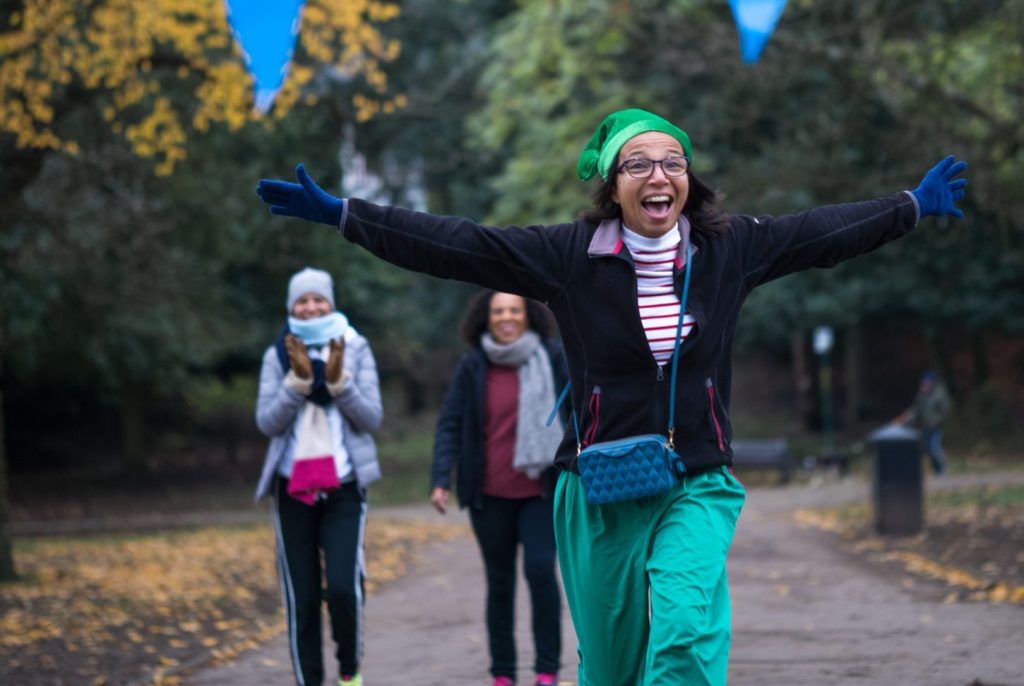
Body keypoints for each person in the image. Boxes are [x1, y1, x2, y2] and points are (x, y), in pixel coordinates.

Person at [257, 108, 968, 686]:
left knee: (685, 631)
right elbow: (457, 244)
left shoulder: (730, 249)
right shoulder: (569, 256)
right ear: (612, 182)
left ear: (688, 178)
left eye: (672, 163)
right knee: (612, 666)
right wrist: (348, 215)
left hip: (697, 478)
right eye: (639, 164)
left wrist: (910, 204)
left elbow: (824, 232)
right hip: (598, 491)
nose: (659, 176)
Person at [431, 290, 568, 686]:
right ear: (485, 318)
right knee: (499, 581)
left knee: (541, 571)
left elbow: (579, 413)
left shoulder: (555, 357)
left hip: (542, 490)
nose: (506, 318)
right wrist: (441, 478)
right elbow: (451, 423)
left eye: (514, 310)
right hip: (488, 494)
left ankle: (546, 670)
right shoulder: (473, 366)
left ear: (528, 316)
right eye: (498, 311)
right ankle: (503, 674)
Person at [255, 267, 383, 686]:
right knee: (303, 598)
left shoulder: (355, 347)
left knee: (345, 589)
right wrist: (296, 384)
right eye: (302, 301)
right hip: (292, 490)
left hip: (345, 488)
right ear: (292, 307)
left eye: (318, 299)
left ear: (331, 302)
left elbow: (372, 417)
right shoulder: (277, 354)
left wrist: (338, 383)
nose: (311, 307)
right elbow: (267, 423)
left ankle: (349, 669)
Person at [897, 370, 953, 474]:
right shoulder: (922, 395)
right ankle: (937, 469)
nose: (925, 384)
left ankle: (942, 469)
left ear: (933, 382)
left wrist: (939, 421)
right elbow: (917, 409)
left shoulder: (939, 395)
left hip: (937, 427)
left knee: (934, 447)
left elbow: (945, 411)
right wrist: (907, 416)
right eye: (924, 382)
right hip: (926, 427)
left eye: (927, 382)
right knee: (928, 449)